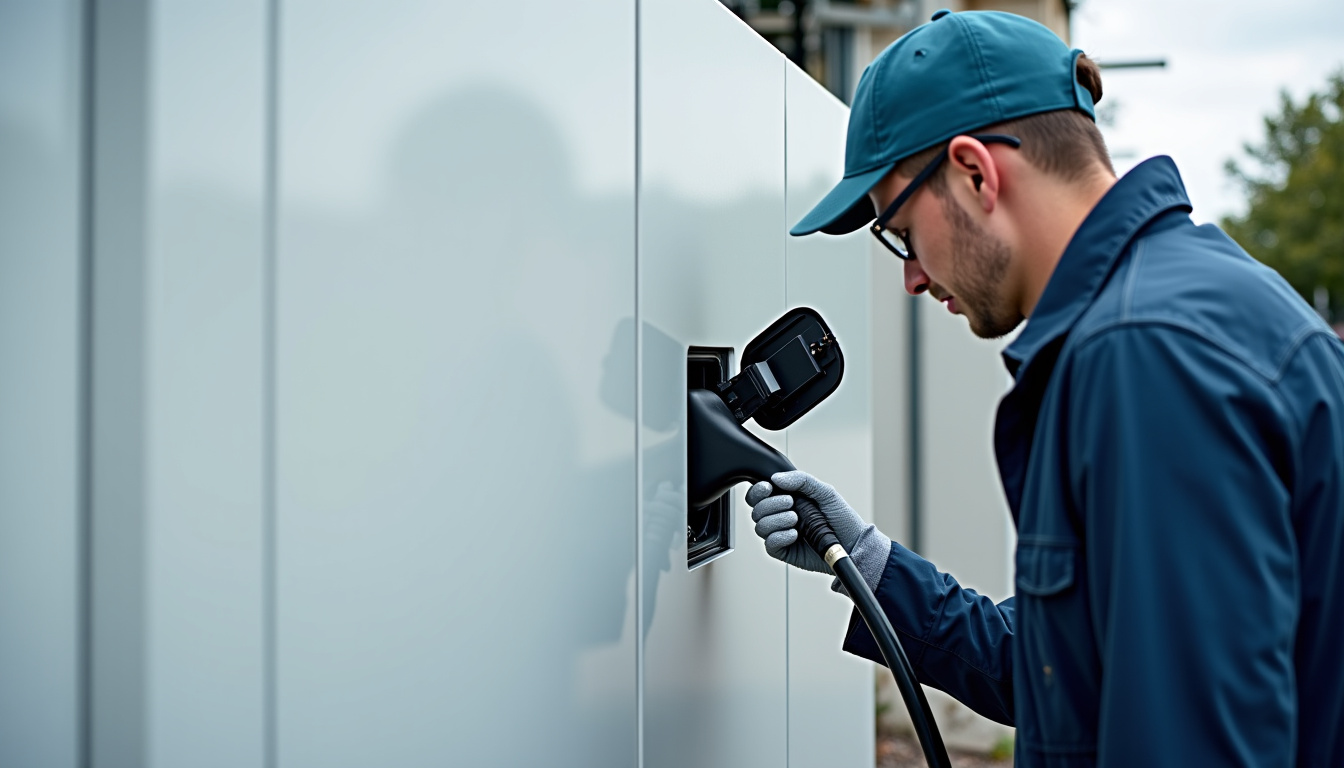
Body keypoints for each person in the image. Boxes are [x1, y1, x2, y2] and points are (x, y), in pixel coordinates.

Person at [748, 9, 1344, 766]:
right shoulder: (1179, 309)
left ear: (974, 171)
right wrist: (868, 564)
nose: (911, 275)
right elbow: (1073, 674)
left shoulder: (1146, 358)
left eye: (899, 230)